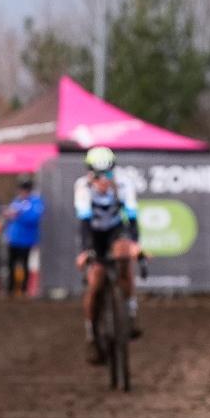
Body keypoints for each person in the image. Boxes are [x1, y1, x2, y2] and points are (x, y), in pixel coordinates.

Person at [74, 147, 142, 364]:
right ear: (89, 173)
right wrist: (86, 251)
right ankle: (92, 335)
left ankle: (130, 313)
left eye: (108, 174)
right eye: (99, 175)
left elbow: (131, 218)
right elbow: (84, 222)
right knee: (95, 283)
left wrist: (135, 245)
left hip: (115, 230)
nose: (104, 180)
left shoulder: (125, 183)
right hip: (94, 235)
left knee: (124, 256)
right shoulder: (82, 187)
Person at [3, 174, 45, 297]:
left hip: (27, 239)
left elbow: (34, 218)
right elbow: (9, 217)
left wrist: (19, 215)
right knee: (11, 265)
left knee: (25, 265)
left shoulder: (35, 201)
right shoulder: (16, 201)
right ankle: (10, 290)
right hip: (13, 239)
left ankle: (24, 289)